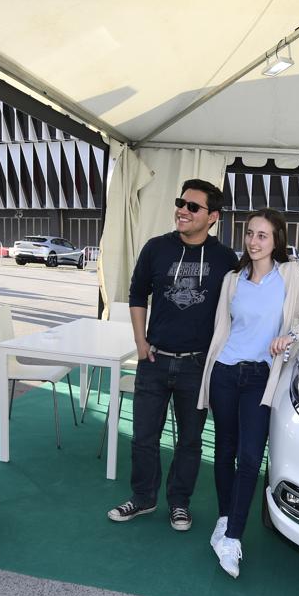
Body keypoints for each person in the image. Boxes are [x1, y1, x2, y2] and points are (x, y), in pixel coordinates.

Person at [197, 209, 299, 578]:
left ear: (276, 241)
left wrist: (291, 336)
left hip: (259, 378)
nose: (254, 241)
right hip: (224, 373)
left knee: (251, 458)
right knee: (225, 451)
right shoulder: (231, 280)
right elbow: (223, 329)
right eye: (250, 234)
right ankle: (224, 520)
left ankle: (234, 537)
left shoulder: (288, 275)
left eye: (262, 236)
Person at [107, 180, 238, 530]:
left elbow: (241, 307)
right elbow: (137, 295)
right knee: (143, 437)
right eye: (181, 202)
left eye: (193, 206)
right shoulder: (155, 248)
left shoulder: (225, 259)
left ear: (212, 216)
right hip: (154, 360)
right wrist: (140, 341)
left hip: (196, 365)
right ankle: (144, 498)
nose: (182, 209)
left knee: (190, 441)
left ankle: (179, 503)